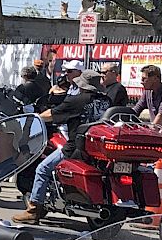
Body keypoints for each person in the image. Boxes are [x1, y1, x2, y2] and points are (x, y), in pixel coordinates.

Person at [13, 63, 108, 222]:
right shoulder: (106, 100)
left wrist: (35, 117)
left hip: (76, 148)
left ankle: (34, 209)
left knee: (42, 169)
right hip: (99, 149)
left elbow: (52, 114)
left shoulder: (77, 100)